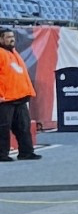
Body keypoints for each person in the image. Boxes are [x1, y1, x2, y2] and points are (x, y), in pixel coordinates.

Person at [0, 25, 38, 160]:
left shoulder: (13, 52)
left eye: (12, 37)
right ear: (0, 39)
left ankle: (26, 152)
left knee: (23, 127)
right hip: (5, 99)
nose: (12, 39)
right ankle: (1, 154)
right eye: (8, 37)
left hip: (20, 97)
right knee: (3, 129)